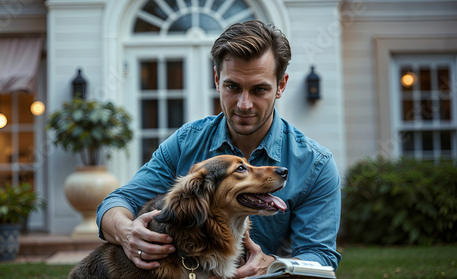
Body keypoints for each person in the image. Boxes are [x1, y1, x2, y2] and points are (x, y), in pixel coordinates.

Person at [96, 20, 341, 277]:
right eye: (233, 87)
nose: (244, 104)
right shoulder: (185, 143)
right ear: (217, 80)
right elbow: (118, 202)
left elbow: (321, 257)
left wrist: (273, 265)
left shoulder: (316, 165)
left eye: (259, 90)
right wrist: (127, 234)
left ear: (281, 85)